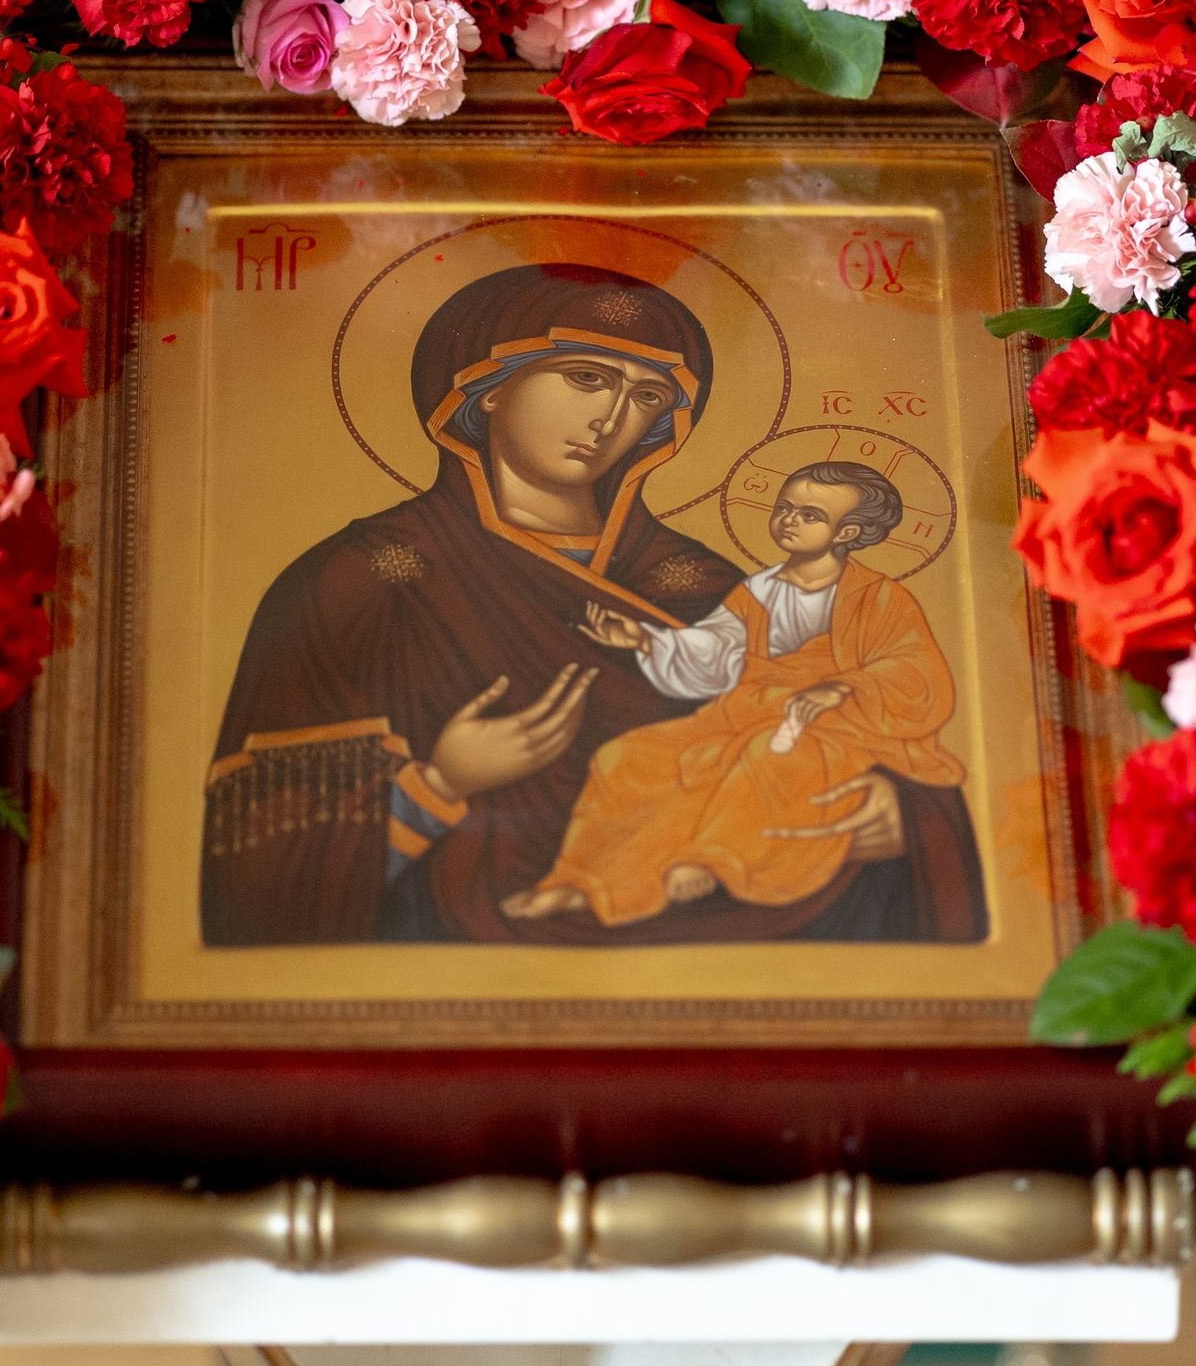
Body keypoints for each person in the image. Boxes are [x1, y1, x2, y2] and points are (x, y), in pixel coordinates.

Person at [198, 259, 990, 947]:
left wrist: (898, 816)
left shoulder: (702, 580)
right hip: (456, 968)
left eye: (647, 396)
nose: (611, 418)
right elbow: (252, 876)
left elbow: (859, 714)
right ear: (487, 388)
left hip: (742, 944)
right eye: (586, 377)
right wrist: (437, 784)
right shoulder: (363, 580)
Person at [502, 463, 967, 926]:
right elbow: (714, 651)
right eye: (784, 508)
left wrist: (845, 687)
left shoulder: (876, 597)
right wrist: (644, 639)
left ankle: (711, 861)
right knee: (626, 757)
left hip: (838, 728)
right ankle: (582, 881)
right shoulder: (758, 591)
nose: (789, 520)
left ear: (846, 532)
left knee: (768, 755)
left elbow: (915, 670)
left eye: (809, 515)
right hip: (741, 714)